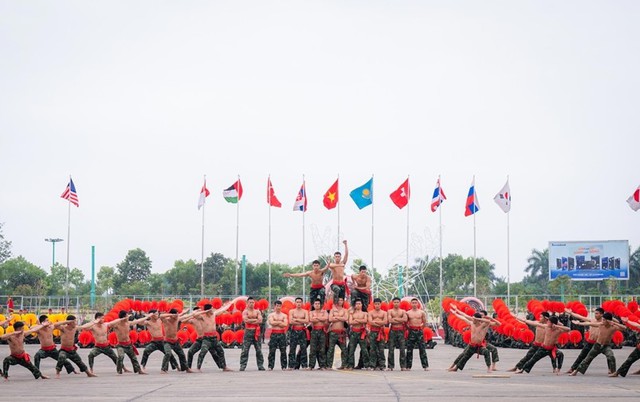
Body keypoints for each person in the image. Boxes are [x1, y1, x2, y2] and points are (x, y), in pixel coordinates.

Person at [447, 308, 499, 373]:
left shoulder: (484, 325)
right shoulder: (472, 323)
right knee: (464, 356)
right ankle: (456, 367)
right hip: (472, 345)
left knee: (486, 352)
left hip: (480, 345)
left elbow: (496, 323)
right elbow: (464, 317)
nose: (473, 319)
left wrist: (485, 318)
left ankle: (489, 368)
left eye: (474, 319)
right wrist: (455, 313)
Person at [565, 307, 604, 374]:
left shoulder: (604, 323)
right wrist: (571, 313)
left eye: (597, 313)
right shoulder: (592, 320)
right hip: (590, 342)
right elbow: (580, 317)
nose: (595, 315)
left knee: (609, 356)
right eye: (595, 313)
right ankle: (573, 368)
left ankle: (611, 370)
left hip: (599, 343)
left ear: (601, 314)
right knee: (582, 355)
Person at [195, 303, 232, 372]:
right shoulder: (202, 316)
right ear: (208, 310)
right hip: (207, 339)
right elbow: (194, 315)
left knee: (221, 351)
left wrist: (229, 304)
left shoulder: (213, 314)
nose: (212, 310)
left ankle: (224, 367)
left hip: (214, 338)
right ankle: (198, 368)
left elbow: (222, 310)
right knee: (203, 352)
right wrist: (204, 311)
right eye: (211, 309)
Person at [111, 310, 148, 375]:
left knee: (134, 358)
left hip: (128, 344)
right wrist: (121, 319)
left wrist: (148, 316)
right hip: (120, 345)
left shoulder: (128, 323)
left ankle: (139, 370)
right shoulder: (116, 325)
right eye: (127, 316)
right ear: (124, 317)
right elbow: (110, 324)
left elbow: (138, 321)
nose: (128, 317)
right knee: (121, 356)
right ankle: (119, 370)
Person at [159, 309, 192, 373]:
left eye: (177, 314)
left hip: (175, 341)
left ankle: (186, 368)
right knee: (168, 353)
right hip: (167, 341)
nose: (177, 316)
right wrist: (171, 315)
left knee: (182, 354)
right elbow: (161, 316)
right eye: (176, 314)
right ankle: (163, 369)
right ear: (172, 315)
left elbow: (184, 316)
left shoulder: (177, 319)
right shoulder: (166, 320)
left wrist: (184, 312)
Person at [239, 297, 265, 371]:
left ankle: (260, 365)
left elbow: (260, 321)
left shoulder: (257, 311)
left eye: (253, 302)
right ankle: (242, 365)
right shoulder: (245, 312)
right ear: (247, 303)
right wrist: (255, 320)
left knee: (259, 349)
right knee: (245, 350)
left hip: (256, 332)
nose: (251, 304)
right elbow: (245, 320)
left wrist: (251, 320)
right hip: (248, 331)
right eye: (250, 302)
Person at [405, 298, 429, 371]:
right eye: (413, 303)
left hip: (419, 331)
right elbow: (406, 323)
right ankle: (408, 366)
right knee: (409, 349)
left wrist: (421, 327)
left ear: (418, 304)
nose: (414, 304)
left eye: (416, 303)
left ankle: (425, 366)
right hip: (411, 331)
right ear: (411, 304)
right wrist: (409, 328)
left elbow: (425, 322)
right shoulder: (408, 313)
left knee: (422, 349)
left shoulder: (421, 312)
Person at [345, 299, 369, 370]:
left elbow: (365, 320)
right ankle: (350, 365)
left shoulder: (365, 313)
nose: (358, 305)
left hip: (362, 332)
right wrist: (359, 321)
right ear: (355, 305)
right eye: (357, 304)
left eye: (359, 303)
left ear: (361, 305)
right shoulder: (352, 313)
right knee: (351, 350)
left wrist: (357, 320)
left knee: (364, 350)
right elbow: (350, 322)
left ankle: (367, 365)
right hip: (353, 333)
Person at [287, 297, 310, 370]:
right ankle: (291, 365)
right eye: (297, 302)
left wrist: (296, 319)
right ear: (295, 303)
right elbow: (291, 321)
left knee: (303, 349)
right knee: (292, 348)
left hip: (302, 331)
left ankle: (304, 365)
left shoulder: (305, 311)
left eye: (300, 302)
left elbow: (306, 321)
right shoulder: (292, 311)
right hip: (294, 331)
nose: (298, 303)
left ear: (302, 303)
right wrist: (301, 320)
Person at [326, 296, 348, 370]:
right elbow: (330, 319)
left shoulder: (345, 310)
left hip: (341, 333)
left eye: (341, 300)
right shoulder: (332, 310)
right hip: (333, 332)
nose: (340, 301)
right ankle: (329, 365)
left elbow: (345, 318)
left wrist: (336, 317)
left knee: (344, 349)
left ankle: (344, 365)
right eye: (338, 300)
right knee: (331, 349)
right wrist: (340, 317)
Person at [387, 297, 408, 371]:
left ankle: (403, 366)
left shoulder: (403, 311)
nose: (396, 303)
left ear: (400, 303)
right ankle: (390, 366)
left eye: (397, 302)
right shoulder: (390, 311)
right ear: (392, 303)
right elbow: (390, 320)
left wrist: (395, 319)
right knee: (391, 349)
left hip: (401, 331)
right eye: (395, 302)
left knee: (402, 349)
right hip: (393, 331)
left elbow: (405, 320)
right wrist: (399, 320)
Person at [267, 300, 288, 370]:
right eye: (277, 306)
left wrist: (276, 322)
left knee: (283, 351)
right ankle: (270, 366)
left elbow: (285, 324)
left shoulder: (284, 315)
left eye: (279, 306)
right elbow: (271, 323)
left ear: (281, 306)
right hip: (274, 333)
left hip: (282, 334)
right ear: (274, 306)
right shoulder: (271, 315)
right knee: (272, 351)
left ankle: (284, 366)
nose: (278, 307)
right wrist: (280, 322)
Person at [308, 298, 328, 370]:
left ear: (321, 305)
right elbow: (311, 319)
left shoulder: (324, 312)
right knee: (312, 349)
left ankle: (322, 365)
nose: (317, 305)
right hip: (314, 331)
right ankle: (311, 365)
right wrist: (320, 318)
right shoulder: (311, 312)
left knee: (322, 349)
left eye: (318, 304)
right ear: (313, 305)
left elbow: (325, 318)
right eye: (315, 304)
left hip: (322, 331)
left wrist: (317, 318)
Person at [368, 298, 388, 371]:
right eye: (376, 304)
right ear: (374, 304)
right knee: (372, 349)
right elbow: (370, 322)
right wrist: (379, 322)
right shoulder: (370, 313)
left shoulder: (384, 313)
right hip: (373, 332)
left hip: (381, 332)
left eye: (378, 304)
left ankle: (382, 365)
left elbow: (385, 322)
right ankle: (372, 365)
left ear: (380, 304)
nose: (377, 305)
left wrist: (375, 322)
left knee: (381, 349)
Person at [327, 240, 349, 304]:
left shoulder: (342, 264)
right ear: (334, 257)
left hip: (342, 284)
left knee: (341, 298)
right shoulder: (332, 265)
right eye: (336, 257)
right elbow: (329, 266)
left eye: (338, 256)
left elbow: (346, 254)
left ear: (340, 257)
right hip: (335, 284)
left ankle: (340, 308)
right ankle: (334, 304)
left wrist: (345, 244)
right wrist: (328, 263)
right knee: (337, 289)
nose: (337, 258)